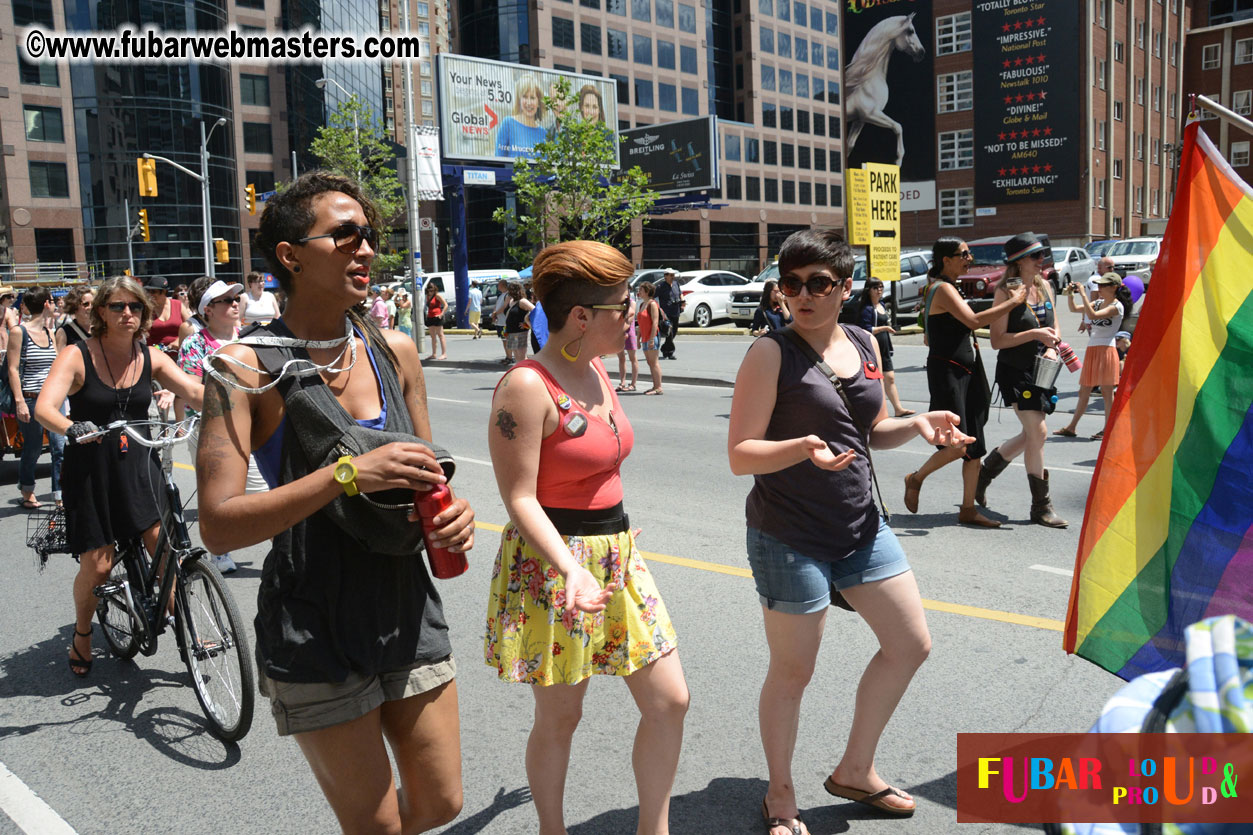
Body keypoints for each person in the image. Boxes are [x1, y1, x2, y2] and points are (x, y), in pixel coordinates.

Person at [195, 171, 475, 832]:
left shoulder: (394, 350)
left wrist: (452, 511)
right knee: (374, 825)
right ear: (290, 255)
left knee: (441, 802)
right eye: (345, 236)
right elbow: (217, 525)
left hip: (406, 603)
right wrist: (347, 474)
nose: (367, 249)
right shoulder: (242, 367)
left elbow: (427, 476)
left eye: (370, 236)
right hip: (312, 620)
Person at [728, 229, 967, 832]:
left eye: (818, 284)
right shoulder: (769, 352)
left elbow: (872, 429)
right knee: (793, 671)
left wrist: (916, 424)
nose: (802, 296)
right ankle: (780, 794)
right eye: (791, 284)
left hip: (859, 523)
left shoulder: (863, 341)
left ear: (845, 287)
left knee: (910, 643)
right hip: (789, 534)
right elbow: (741, 454)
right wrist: (801, 448)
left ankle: (856, 769)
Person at [485, 240, 688, 835]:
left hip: (615, 553)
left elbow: (601, 468)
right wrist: (573, 564)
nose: (632, 314)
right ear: (581, 317)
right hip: (554, 565)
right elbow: (520, 496)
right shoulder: (526, 387)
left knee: (668, 700)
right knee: (562, 716)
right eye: (622, 306)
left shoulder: (595, 367)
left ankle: (655, 828)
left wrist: (612, 537)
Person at [34, 276, 204, 677]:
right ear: (101, 314)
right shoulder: (77, 356)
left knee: (164, 551)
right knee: (98, 565)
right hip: (92, 467)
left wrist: (240, 395)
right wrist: (69, 427)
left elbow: (195, 392)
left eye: (135, 307)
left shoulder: (151, 356)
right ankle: (82, 633)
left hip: (139, 462)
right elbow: (45, 406)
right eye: (117, 307)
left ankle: (190, 629)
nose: (127, 314)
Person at [904, 237, 1027, 528]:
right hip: (949, 373)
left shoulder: (948, 287)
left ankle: (968, 508)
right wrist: (1012, 302)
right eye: (964, 254)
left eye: (969, 254)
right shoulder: (942, 288)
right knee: (957, 444)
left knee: (973, 445)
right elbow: (973, 321)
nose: (969, 259)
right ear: (946, 259)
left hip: (966, 371)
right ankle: (916, 477)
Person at [980, 232, 1067, 528]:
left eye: (1043, 254)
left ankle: (986, 472)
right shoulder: (1006, 292)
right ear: (1018, 263)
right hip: (1015, 371)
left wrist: (1054, 347)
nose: (1042, 260)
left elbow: (1054, 325)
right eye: (1036, 256)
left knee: (1033, 433)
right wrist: (1034, 334)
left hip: (1042, 369)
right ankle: (1041, 507)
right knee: (1038, 432)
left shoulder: (1045, 285)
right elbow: (997, 341)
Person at [177, 279, 247, 574]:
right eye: (226, 301)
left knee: (261, 489)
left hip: (253, 424)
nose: (234, 304)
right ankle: (219, 550)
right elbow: (190, 388)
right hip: (209, 426)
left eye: (236, 299)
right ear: (208, 309)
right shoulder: (195, 343)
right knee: (216, 492)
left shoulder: (251, 337)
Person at [1054, 272, 1130, 441]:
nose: (1099, 288)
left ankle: (1108, 429)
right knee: (1084, 390)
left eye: (1103, 286)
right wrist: (1070, 294)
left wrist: (1082, 294)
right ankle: (1071, 427)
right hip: (1093, 348)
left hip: (1107, 348)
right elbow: (1074, 309)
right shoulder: (1098, 303)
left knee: (1106, 391)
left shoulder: (1117, 307)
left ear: (1114, 288)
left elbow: (1094, 316)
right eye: (1099, 285)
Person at [9, 288, 65, 509]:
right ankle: (27, 489)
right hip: (30, 399)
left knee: (59, 447)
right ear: (45, 305)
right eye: (52, 301)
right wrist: (20, 400)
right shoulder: (18, 332)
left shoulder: (50, 332)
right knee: (32, 448)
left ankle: (59, 494)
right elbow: (13, 369)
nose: (55, 305)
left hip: (52, 400)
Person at [856, 279, 914, 418]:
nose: (879, 290)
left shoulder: (881, 305)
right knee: (877, 380)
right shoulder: (867, 309)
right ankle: (878, 412)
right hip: (872, 349)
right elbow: (864, 329)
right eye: (875, 287)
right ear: (869, 290)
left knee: (890, 378)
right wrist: (884, 328)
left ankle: (898, 408)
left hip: (884, 347)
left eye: (881, 287)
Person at [495, 75, 548, 159]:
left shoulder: (544, 134)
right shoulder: (508, 124)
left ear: (538, 102)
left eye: (532, 98)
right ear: (519, 100)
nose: (529, 102)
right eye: (525, 97)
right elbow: (498, 160)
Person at [144, 276, 185, 353]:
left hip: (179, 353)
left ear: (163, 292)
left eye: (153, 292)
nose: (150, 294)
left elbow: (191, 326)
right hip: (155, 354)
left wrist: (178, 340)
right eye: (148, 291)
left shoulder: (178, 305)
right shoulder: (147, 308)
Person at [636, 281, 664, 395]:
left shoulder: (652, 304)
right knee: (649, 362)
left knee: (654, 362)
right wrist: (638, 339)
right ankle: (654, 385)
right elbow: (640, 324)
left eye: (641, 290)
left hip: (652, 336)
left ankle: (658, 387)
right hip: (644, 337)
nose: (639, 292)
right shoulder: (642, 304)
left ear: (647, 292)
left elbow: (655, 322)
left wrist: (652, 339)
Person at [655, 268, 683, 360]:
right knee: (670, 333)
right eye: (671, 275)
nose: (673, 277)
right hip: (666, 314)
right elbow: (652, 296)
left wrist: (682, 302)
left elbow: (680, 294)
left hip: (676, 311)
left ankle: (664, 349)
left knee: (674, 332)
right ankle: (670, 352)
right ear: (665, 276)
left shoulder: (676, 284)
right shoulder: (661, 286)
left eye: (673, 275)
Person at [503, 281, 534, 365]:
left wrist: (526, 322)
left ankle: (525, 373)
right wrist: (507, 300)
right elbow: (505, 311)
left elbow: (535, 310)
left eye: (511, 290)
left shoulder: (523, 301)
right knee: (517, 356)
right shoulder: (511, 300)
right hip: (511, 331)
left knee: (522, 356)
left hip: (520, 332)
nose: (509, 292)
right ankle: (521, 371)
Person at [55, 286, 95, 351]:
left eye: (93, 304)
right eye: (86, 304)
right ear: (74, 306)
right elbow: (61, 358)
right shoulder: (64, 332)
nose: (90, 307)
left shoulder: (100, 329)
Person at [616, 288, 639, 392]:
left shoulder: (632, 303)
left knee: (632, 358)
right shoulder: (617, 303)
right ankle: (622, 382)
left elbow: (630, 318)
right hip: (619, 332)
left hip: (629, 333)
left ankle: (633, 384)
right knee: (621, 358)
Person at [424, 282, 447, 360]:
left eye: (432, 290)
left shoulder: (437, 296)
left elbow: (445, 305)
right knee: (433, 336)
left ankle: (444, 353)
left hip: (437, 317)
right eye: (429, 290)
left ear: (434, 290)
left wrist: (441, 314)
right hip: (430, 317)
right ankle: (434, 354)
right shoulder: (427, 296)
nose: (430, 292)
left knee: (440, 335)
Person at [492, 278, 512, 362]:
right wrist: (494, 313)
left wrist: (496, 313)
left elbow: (504, 307)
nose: (497, 286)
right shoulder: (501, 295)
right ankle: (507, 356)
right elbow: (496, 306)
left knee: (506, 340)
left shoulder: (508, 295)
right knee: (503, 340)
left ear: (503, 285)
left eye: (498, 285)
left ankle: (510, 357)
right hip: (500, 322)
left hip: (505, 322)